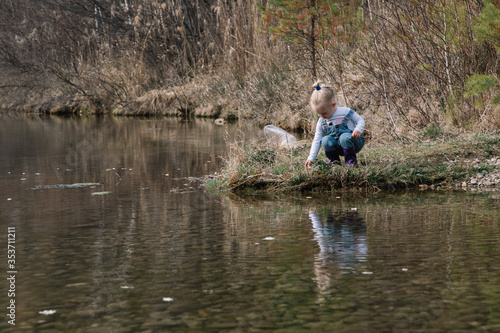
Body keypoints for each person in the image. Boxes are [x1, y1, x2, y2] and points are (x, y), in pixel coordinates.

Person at [304, 81, 365, 168]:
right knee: (325, 140)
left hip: (354, 142)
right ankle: (334, 163)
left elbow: (360, 120)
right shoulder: (322, 121)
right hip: (338, 146)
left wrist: (358, 129)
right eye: (318, 114)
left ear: (333, 105)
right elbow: (317, 139)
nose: (321, 116)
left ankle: (351, 163)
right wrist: (311, 158)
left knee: (344, 137)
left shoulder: (345, 112)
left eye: (324, 113)